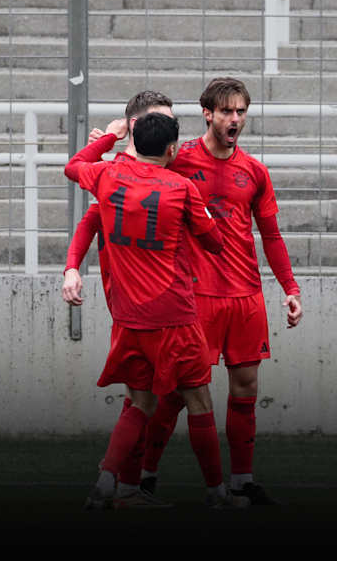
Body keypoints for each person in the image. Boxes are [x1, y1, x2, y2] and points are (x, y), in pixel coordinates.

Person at [64, 112, 247, 510]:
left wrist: (107, 139)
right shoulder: (181, 187)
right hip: (174, 317)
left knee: (140, 403)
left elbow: (73, 166)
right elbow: (215, 243)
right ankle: (218, 495)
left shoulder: (108, 175)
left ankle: (104, 484)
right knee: (199, 402)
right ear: (170, 149)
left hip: (129, 319)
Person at [138, 77, 301, 505]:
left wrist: (289, 287)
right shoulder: (179, 159)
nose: (235, 119)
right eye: (227, 111)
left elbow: (271, 235)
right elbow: (140, 185)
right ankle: (145, 474)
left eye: (241, 111)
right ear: (207, 113)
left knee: (246, 386)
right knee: (175, 393)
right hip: (194, 298)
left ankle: (241, 480)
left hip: (245, 296)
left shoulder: (255, 171)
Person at [62, 91, 179, 504]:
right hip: (138, 301)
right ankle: (124, 483)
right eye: (157, 120)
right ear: (134, 125)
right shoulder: (115, 171)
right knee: (146, 395)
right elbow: (90, 221)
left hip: (167, 299)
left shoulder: (166, 164)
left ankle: (128, 483)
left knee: (157, 395)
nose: (167, 129)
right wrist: (73, 266)